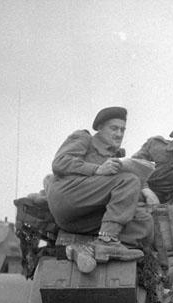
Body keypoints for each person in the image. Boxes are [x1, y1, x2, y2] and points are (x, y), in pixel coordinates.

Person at [46, 106, 153, 273]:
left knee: (142, 222)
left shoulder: (115, 155)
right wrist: (97, 169)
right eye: (114, 128)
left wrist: (145, 189)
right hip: (68, 198)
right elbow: (60, 162)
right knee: (129, 180)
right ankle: (106, 241)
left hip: (83, 216)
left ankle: (86, 249)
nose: (119, 134)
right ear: (100, 128)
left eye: (122, 130)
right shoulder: (84, 138)